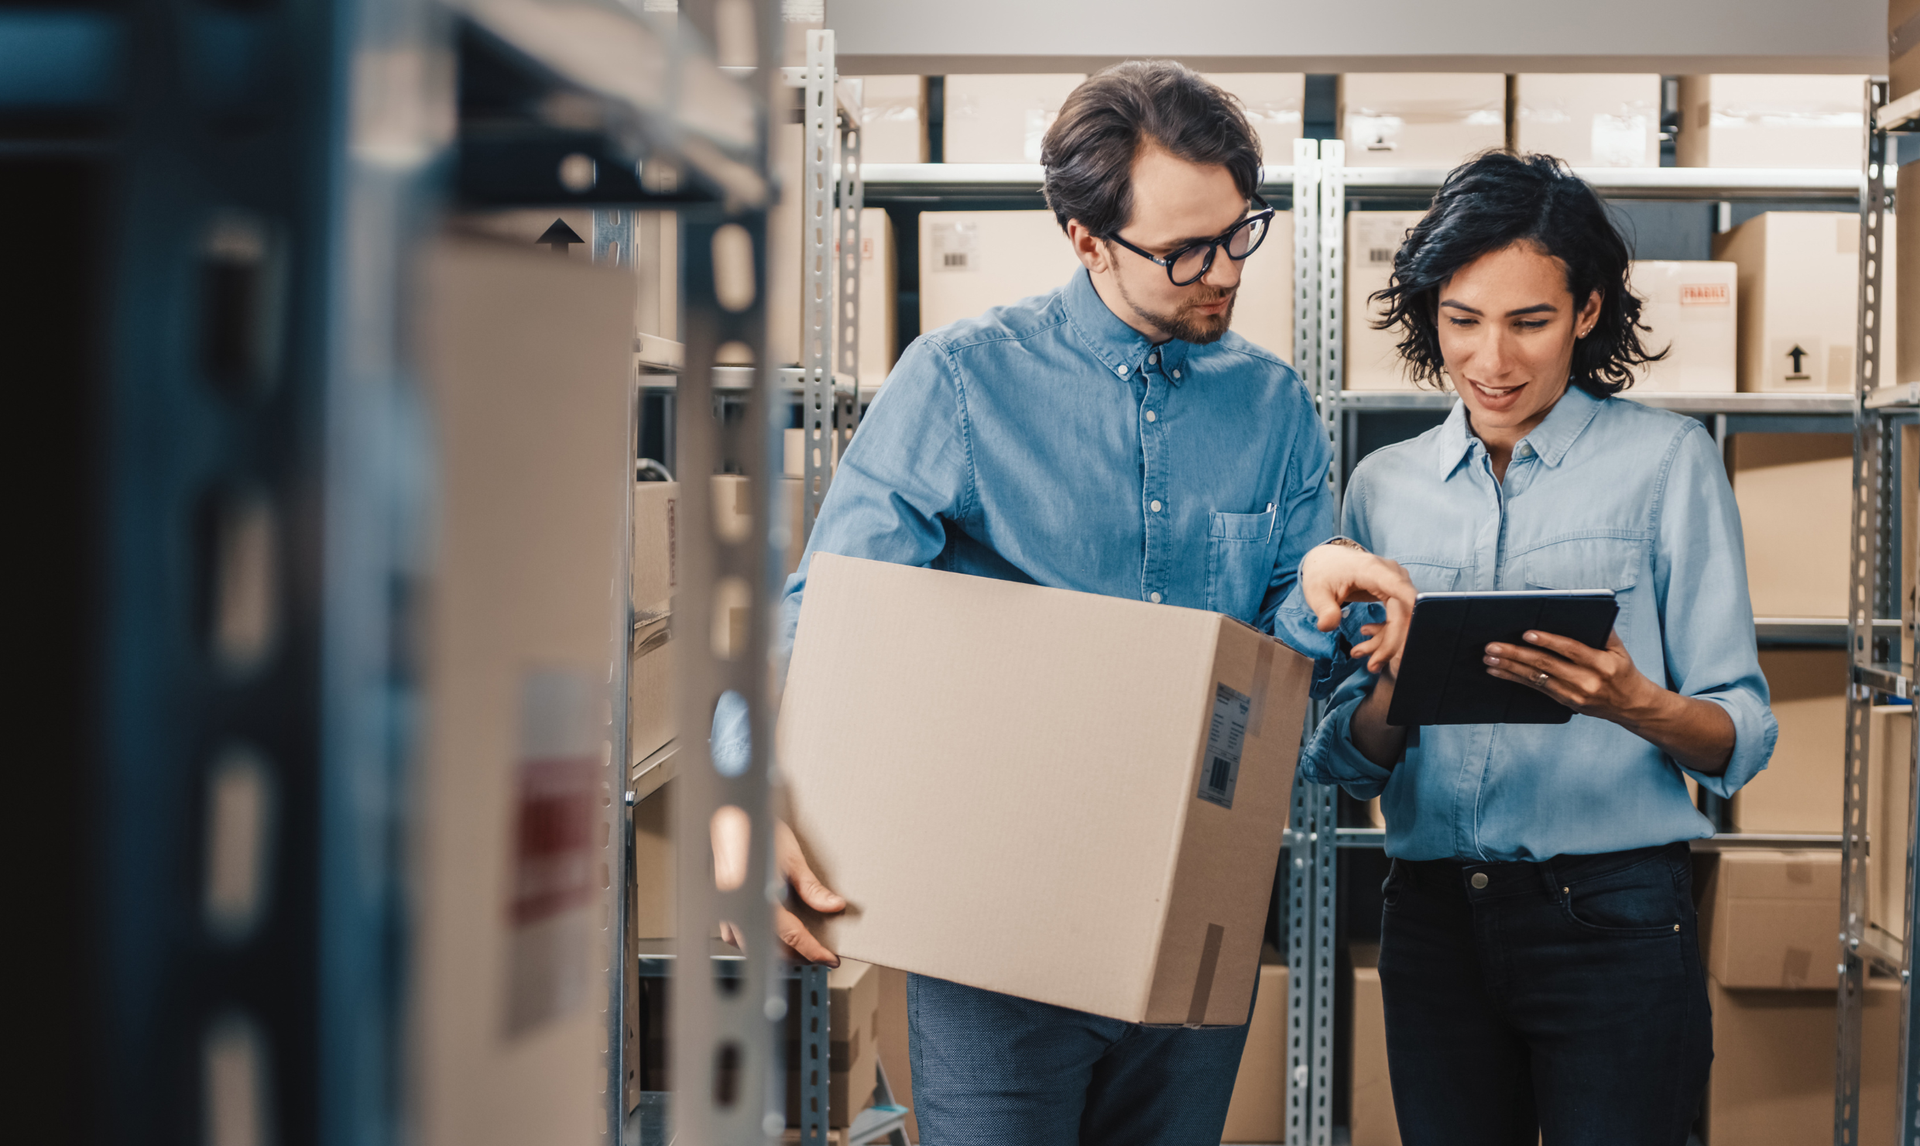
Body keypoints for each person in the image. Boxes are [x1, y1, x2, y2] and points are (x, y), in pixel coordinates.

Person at [744, 60, 1418, 1146]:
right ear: (1084, 237)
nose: (1224, 274)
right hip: (997, 933)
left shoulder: (1275, 408)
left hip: (1195, 916)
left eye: (1240, 233)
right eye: (1185, 252)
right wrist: (749, 780)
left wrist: (1319, 598)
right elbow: (827, 611)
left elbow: (1285, 676)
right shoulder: (963, 383)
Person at [1300, 151, 1778, 1146]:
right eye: (1463, 320)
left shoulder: (1666, 463)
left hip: (1613, 914)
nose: (1492, 362)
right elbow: (1346, 761)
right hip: (1432, 919)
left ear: (1589, 312)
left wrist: (1629, 701)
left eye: (1530, 321)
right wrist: (1392, 683)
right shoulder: (1383, 488)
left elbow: (1740, 735)